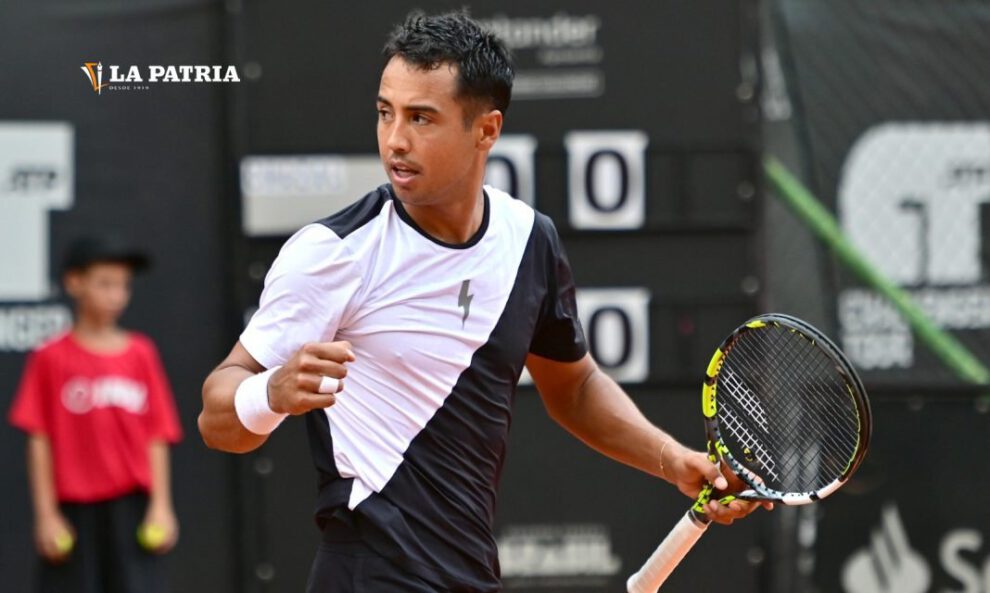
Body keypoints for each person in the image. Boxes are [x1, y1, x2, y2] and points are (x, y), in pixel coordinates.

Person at [199, 10, 768, 593]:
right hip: (369, 575)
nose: (395, 139)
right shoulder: (333, 253)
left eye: (421, 118)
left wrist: (673, 460)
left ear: (486, 129)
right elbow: (218, 416)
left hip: (469, 575)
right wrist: (270, 394)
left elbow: (572, 386)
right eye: (384, 112)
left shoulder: (528, 241)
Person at [8, 235, 183, 593]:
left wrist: (161, 506)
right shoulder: (49, 357)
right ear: (75, 283)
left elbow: (158, 436)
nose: (116, 295)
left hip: (132, 512)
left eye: (123, 286)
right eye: (105, 284)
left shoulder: (141, 354)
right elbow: (38, 439)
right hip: (73, 515)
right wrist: (46, 514)